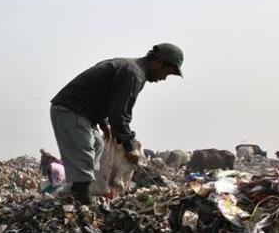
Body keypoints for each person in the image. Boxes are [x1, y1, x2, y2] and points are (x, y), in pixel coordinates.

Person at [50, 43, 183, 204]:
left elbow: (101, 94)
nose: (163, 78)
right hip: (71, 110)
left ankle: (74, 191)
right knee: (84, 158)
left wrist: (103, 122)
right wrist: (128, 146)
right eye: (166, 73)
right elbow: (120, 113)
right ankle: (82, 206)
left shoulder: (129, 67)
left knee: (98, 145)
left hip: (82, 112)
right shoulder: (134, 74)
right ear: (158, 63)